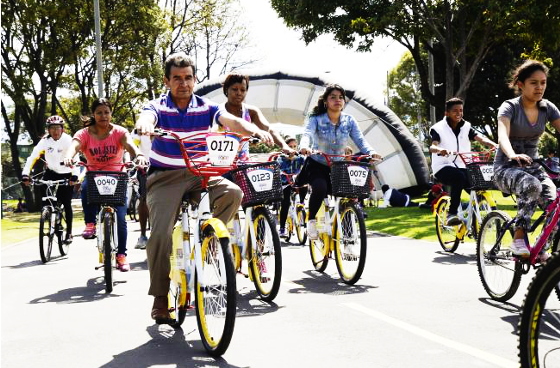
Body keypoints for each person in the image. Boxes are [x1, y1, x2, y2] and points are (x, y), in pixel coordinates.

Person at [134, 52, 274, 323]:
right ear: (167, 81)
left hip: (201, 173)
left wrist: (253, 130)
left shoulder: (206, 106)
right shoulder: (157, 106)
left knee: (234, 192)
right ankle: (160, 297)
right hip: (165, 176)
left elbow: (232, 121)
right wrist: (144, 127)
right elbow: (146, 119)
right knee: (160, 233)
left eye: (188, 78)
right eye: (177, 79)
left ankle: (208, 243)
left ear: (195, 79)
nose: (183, 83)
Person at [63, 98, 148, 272]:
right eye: (99, 112)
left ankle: (121, 256)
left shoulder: (119, 132)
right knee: (85, 185)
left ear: (111, 113)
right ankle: (90, 223)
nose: (103, 116)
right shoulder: (84, 134)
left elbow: (131, 146)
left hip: (117, 177)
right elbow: (74, 146)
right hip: (94, 176)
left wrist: (138, 154)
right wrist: (69, 156)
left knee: (121, 218)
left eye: (107, 112)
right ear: (93, 115)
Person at [493, 60, 560, 258]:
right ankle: (518, 238)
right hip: (505, 168)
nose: (540, 87)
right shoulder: (509, 107)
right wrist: (512, 154)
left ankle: (541, 249)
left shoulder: (548, 108)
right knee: (531, 186)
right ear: (521, 84)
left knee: (554, 204)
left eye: (543, 82)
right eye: (534, 83)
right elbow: (502, 135)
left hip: (533, 168)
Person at [298, 83, 381, 240]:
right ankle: (311, 220)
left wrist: (371, 152)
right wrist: (304, 146)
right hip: (318, 163)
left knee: (347, 197)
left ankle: (349, 239)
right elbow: (307, 134)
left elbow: (360, 140)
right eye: (333, 97)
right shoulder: (316, 119)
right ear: (325, 102)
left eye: (341, 97)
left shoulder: (349, 120)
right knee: (320, 188)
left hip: (339, 165)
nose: (338, 100)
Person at [429, 97, 498, 226]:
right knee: (458, 178)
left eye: (461, 110)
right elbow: (433, 146)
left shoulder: (466, 126)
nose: (459, 113)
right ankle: (452, 213)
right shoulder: (438, 128)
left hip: (463, 165)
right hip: (443, 167)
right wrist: (440, 149)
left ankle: (477, 219)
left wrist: (495, 145)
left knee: (477, 183)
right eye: (455, 111)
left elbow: (480, 139)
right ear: (447, 113)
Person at [22, 115, 79, 243]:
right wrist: (26, 174)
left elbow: (76, 159)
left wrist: (74, 175)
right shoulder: (45, 141)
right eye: (52, 128)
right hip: (51, 172)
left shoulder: (68, 140)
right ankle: (49, 214)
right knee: (44, 192)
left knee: (66, 202)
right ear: (48, 129)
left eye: (58, 128)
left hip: (67, 173)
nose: (55, 131)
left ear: (62, 129)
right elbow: (32, 157)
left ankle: (69, 232)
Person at [214, 73, 295, 159]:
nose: (239, 93)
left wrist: (284, 146)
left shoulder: (251, 111)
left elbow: (268, 129)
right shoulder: (217, 110)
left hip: (242, 163)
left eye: (243, 90)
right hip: (218, 162)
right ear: (226, 89)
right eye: (234, 89)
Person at [277, 137, 307, 238]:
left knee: (304, 186)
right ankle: (282, 228)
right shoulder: (281, 158)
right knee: (285, 204)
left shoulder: (300, 158)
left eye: (295, 146)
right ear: (284, 149)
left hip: (295, 182)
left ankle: (301, 204)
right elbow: (279, 166)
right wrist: (288, 158)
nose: (293, 149)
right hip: (284, 183)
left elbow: (307, 163)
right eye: (290, 147)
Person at [131, 129, 151, 249]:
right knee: (144, 200)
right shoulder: (139, 130)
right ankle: (143, 235)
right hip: (145, 168)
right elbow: (132, 146)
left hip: (167, 167)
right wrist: (135, 160)